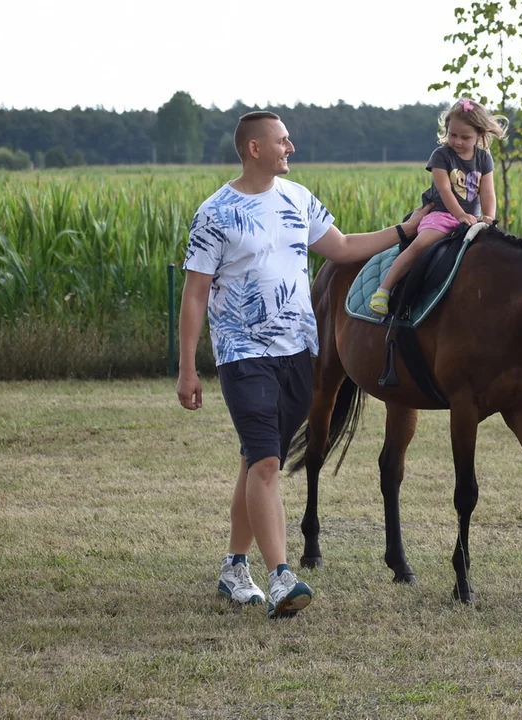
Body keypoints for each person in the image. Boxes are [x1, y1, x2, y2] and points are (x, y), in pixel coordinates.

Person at [176, 111, 431, 619]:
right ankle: (281, 577)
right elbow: (195, 293)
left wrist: (404, 230)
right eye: (282, 140)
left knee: (256, 458)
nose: (290, 146)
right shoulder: (215, 213)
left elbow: (341, 247)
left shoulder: (297, 199)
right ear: (254, 149)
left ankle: (233, 566)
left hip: (298, 352)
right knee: (269, 464)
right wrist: (187, 366)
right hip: (243, 352)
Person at [369, 97, 505, 315]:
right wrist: (460, 215)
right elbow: (444, 189)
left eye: (465, 137)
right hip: (442, 214)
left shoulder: (484, 158)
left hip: (472, 219)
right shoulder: (441, 155)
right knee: (420, 245)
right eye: (453, 135)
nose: (458, 141)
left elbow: (488, 191)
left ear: (479, 134)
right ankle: (384, 290)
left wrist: (488, 217)